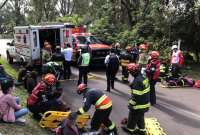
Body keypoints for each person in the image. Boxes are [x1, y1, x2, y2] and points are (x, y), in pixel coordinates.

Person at [122, 63, 150, 135]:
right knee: (140, 116)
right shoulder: (143, 76)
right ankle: (142, 130)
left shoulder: (137, 81)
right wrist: (132, 86)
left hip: (139, 105)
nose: (130, 74)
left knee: (133, 116)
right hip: (145, 103)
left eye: (130, 72)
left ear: (133, 71)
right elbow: (142, 88)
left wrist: (130, 104)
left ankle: (130, 129)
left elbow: (136, 96)